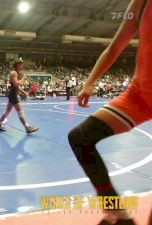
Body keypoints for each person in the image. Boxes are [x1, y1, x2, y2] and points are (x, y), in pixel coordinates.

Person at [68, 0, 151, 224]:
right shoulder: (141, 4)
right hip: (140, 94)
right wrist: (90, 82)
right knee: (80, 137)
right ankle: (115, 209)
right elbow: (115, 46)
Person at [0, 58, 39, 134]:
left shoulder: (15, 73)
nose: (22, 65)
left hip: (12, 94)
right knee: (20, 112)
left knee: (7, 112)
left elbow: (16, 87)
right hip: (13, 95)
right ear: (17, 65)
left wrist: (23, 92)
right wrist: (23, 79)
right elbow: (16, 84)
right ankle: (27, 128)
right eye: (21, 64)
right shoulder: (14, 73)